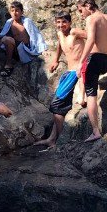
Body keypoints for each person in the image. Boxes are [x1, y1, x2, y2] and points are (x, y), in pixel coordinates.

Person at [33, 12, 87, 150]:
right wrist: (56, 60)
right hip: (69, 72)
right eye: (58, 22)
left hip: (77, 71)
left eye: (64, 22)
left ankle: (56, 140)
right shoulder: (60, 34)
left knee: (56, 104)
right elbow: (59, 45)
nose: (61, 25)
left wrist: (87, 61)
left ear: (69, 22)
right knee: (59, 107)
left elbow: (92, 37)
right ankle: (52, 139)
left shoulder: (74, 32)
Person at [75, 0, 107, 142]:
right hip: (106, 61)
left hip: (94, 60)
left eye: (81, 10)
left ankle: (96, 131)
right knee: (91, 86)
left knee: (91, 95)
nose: (81, 14)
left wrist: (81, 62)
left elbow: (90, 40)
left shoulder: (91, 19)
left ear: (88, 5)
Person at [0, 0, 47, 77]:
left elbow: (36, 35)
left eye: (17, 10)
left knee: (7, 39)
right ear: (10, 12)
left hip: (24, 50)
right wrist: (1, 39)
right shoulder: (9, 22)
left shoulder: (27, 22)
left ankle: (9, 65)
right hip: (12, 49)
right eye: (12, 11)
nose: (14, 13)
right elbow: (2, 34)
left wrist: (43, 49)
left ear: (22, 12)